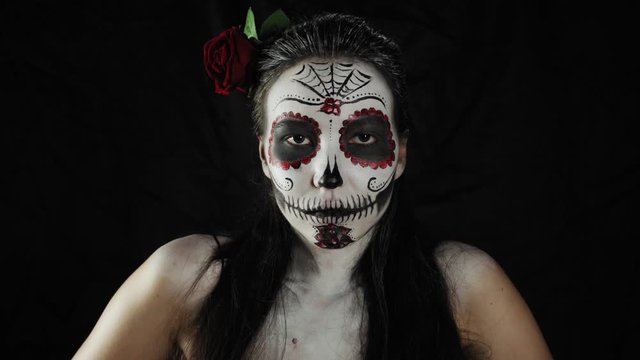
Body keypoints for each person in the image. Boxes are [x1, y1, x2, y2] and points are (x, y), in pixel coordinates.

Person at [74, 13, 552, 360]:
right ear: (264, 154)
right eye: (298, 138)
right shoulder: (187, 278)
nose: (328, 172)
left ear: (401, 153)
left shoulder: (463, 285)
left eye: (363, 137)